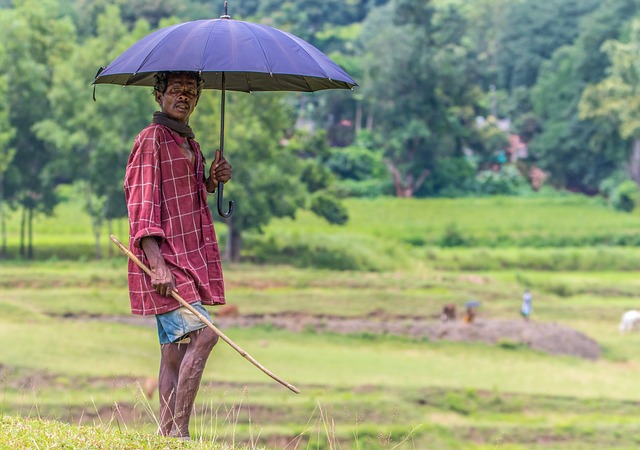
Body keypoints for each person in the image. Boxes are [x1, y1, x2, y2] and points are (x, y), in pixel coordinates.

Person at [124, 71, 232, 439]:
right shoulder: (151, 139)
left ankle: (166, 433)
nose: (183, 97)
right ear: (159, 96)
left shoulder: (189, 143)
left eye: (190, 91)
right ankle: (180, 434)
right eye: (175, 90)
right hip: (165, 261)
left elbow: (186, 198)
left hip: (189, 257)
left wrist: (212, 181)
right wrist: (156, 265)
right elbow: (141, 204)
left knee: (174, 349)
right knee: (205, 336)